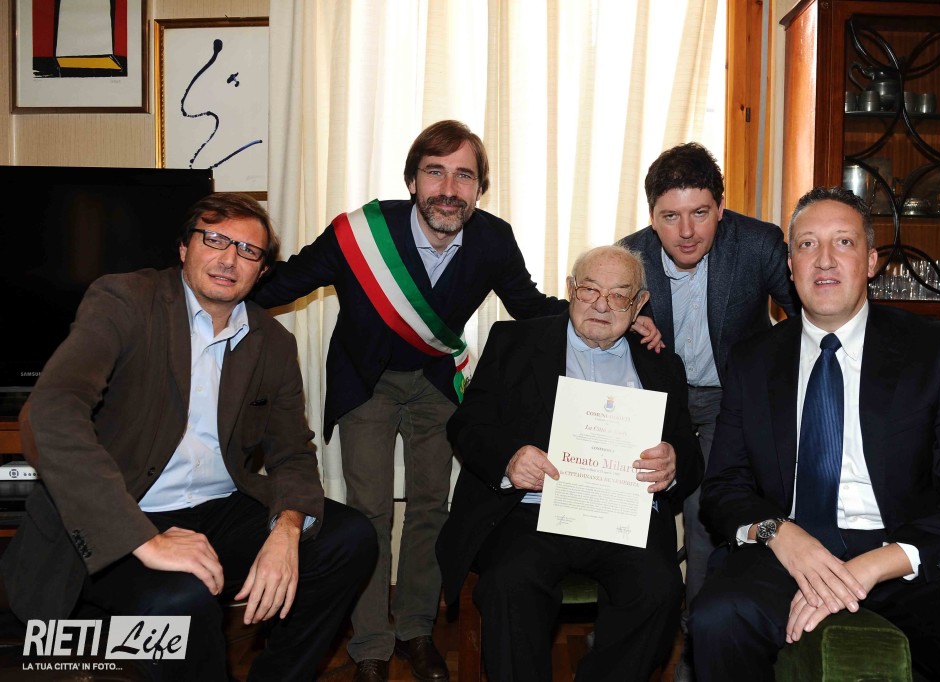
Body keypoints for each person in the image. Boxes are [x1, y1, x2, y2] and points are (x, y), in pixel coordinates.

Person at [252, 120, 662, 682]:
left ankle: (415, 631)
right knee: (369, 512)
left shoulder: (492, 238)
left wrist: (614, 314)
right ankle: (371, 644)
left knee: (430, 509)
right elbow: (282, 283)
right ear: (412, 182)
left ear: (479, 188)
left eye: (464, 176)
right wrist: (213, 282)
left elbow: (530, 306)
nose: (449, 189)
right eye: (435, 172)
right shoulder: (361, 234)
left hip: (436, 381)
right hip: (365, 381)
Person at [0, 193, 377, 682]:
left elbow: (291, 452)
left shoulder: (273, 343)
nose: (229, 259)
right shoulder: (125, 301)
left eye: (248, 251)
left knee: (349, 537)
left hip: (219, 510)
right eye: (215, 239)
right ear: (183, 248)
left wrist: (287, 531)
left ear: (262, 271)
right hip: (123, 508)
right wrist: (141, 538)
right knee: (181, 599)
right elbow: (51, 409)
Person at [690, 186, 940, 681]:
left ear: (870, 262)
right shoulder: (753, 359)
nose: (824, 259)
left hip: (907, 555)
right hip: (792, 552)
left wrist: (874, 564)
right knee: (716, 619)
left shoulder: (932, 350)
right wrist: (779, 532)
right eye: (807, 244)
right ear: (790, 265)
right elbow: (723, 487)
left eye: (843, 242)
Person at [436, 245, 702, 682]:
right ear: (570, 289)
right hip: (532, 512)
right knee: (509, 583)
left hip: (622, 517)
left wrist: (673, 463)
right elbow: (468, 423)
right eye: (590, 290)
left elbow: (689, 457)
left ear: (639, 304)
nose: (602, 305)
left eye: (619, 295)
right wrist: (509, 458)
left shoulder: (661, 364)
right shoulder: (515, 341)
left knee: (659, 590)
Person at [617, 142, 798, 663]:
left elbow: (807, 318)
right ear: (651, 217)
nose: (686, 232)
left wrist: (769, 372)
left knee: (705, 513)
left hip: (730, 398)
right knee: (635, 504)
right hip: (660, 400)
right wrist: (627, 327)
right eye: (670, 217)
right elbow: (590, 326)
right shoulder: (629, 256)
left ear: (721, 208)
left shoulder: (759, 244)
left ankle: (698, 642)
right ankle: (634, 627)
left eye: (700, 213)